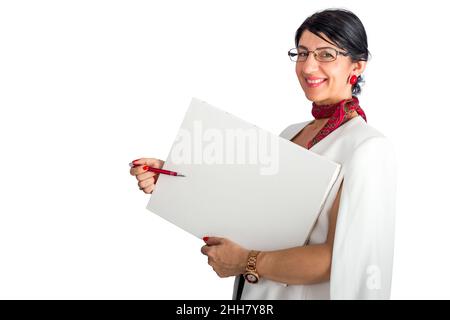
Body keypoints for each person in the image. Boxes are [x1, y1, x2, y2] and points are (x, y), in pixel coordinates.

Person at [129, 8, 397, 300]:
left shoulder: (367, 147)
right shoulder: (289, 133)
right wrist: (174, 180)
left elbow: (341, 260)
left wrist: (245, 261)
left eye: (326, 55)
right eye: (303, 53)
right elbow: (248, 214)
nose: (308, 67)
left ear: (357, 66)